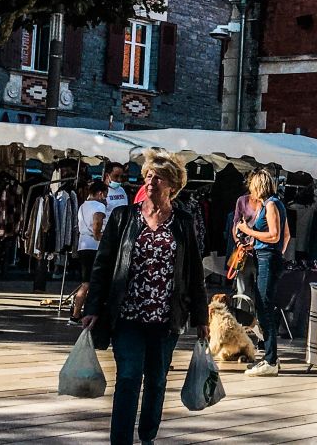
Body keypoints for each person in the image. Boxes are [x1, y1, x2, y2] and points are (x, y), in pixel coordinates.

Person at [82, 149, 209, 445]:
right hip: (127, 316)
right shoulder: (123, 217)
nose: (151, 182)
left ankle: (148, 435)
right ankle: (121, 441)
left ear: (172, 186)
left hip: (166, 319)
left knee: (156, 381)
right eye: (149, 176)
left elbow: (194, 274)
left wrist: (202, 317)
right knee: (127, 377)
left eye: (159, 178)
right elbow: (102, 265)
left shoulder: (183, 222)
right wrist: (92, 307)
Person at [235, 168, 290, 378]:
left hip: (268, 258)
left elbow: (275, 235)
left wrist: (249, 232)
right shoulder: (274, 203)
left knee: (264, 306)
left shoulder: (271, 204)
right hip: (266, 256)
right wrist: (258, 245)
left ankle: (270, 359)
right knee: (263, 305)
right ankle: (270, 356)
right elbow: (285, 236)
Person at [69, 181, 108, 324]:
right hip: (94, 246)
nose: (105, 198)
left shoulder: (83, 206)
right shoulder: (99, 206)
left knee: (85, 282)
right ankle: (90, 312)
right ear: (100, 193)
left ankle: (76, 314)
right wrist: (99, 236)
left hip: (83, 245)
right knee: (94, 282)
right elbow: (97, 223)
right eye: (105, 195)